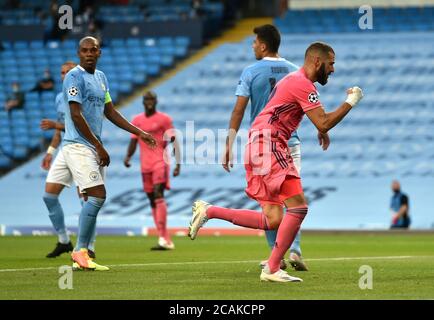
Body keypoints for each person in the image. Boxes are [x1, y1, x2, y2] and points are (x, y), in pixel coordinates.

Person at [189, 42, 363, 282]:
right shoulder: (302, 83)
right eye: (331, 63)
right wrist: (351, 101)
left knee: (273, 219)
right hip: (270, 143)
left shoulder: (295, 81)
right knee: (299, 207)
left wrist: (321, 129)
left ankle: (210, 211)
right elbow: (322, 121)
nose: (333, 69)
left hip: (258, 143)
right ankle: (271, 268)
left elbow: (288, 110)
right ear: (317, 61)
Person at [223, 24, 330, 272]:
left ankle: (276, 256)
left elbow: (239, 110)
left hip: (264, 143)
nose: (252, 47)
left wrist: (228, 143)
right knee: (294, 199)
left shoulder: (250, 71)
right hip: (291, 141)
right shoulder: (296, 70)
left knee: (271, 202)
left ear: (262, 45)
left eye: (254, 43)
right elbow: (309, 106)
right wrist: (322, 129)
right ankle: (295, 250)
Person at [61, 36, 156, 270]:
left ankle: (83, 254)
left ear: (99, 53)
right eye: (84, 50)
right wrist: (98, 145)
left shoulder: (101, 78)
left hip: (93, 146)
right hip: (78, 145)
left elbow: (110, 112)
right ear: (79, 53)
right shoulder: (74, 76)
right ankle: (79, 250)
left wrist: (139, 132)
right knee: (97, 195)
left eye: (93, 50)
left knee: (92, 197)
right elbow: (75, 114)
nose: (89, 54)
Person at [41, 61, 98, 260]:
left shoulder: (86, 93)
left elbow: (80, 125)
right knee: (49, 196)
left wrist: (55, 124)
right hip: (65, 149)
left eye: (68, 72)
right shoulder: (59, 98)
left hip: (82, 149)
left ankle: (88, 247)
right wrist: (50, 151)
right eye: (62, 72)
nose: (64, 75)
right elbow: (61, 128)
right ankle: (64, 241)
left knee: (86, 199)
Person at [124, 91, 181, 250]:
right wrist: (128, 157)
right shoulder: (137, 120)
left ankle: (164, 238)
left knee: (158, 194)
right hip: (145, 165)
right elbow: (133, 141)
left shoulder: (164, 119)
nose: (149, 101)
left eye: (152, 99)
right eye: (147, 99)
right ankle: (164, 237)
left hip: (160, 162)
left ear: (156, 101)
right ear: (143, 102)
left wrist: (178, 163)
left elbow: (174, 140)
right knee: (151, 200)